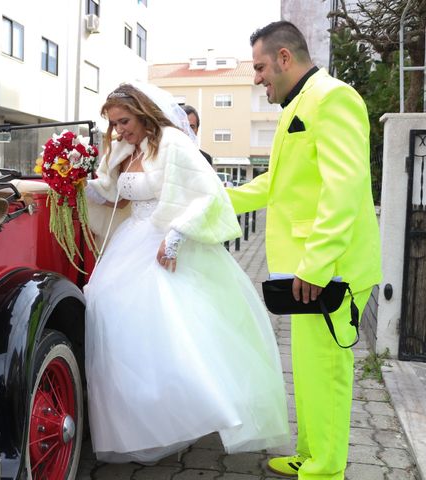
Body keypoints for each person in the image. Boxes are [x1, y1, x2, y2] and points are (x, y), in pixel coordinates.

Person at [83, 81, 290, 465]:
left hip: (163, 241)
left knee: (171, 327)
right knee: (108, 309)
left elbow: (207, 194)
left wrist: (176, 235)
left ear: (143, 112)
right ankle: (139, 418)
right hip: (130, 242)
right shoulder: (125, 148)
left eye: (124, 121)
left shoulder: (173, 144)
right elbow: (115, 192)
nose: (119, 131)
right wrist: (80, 184)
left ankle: (200, 405)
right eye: (113, 124)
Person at [226, 21, 382, 479]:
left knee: (328, 372)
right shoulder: (302, 103)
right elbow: (274, 183)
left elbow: (344, 190)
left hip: (331, 273)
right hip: (308, 272)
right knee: (311, 372)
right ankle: (310, 453)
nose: (257, 78)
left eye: (259, 67)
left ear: (284, 59)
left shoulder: (333, 99)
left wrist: (315, 266)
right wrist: (215, 199)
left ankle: (326, 469)